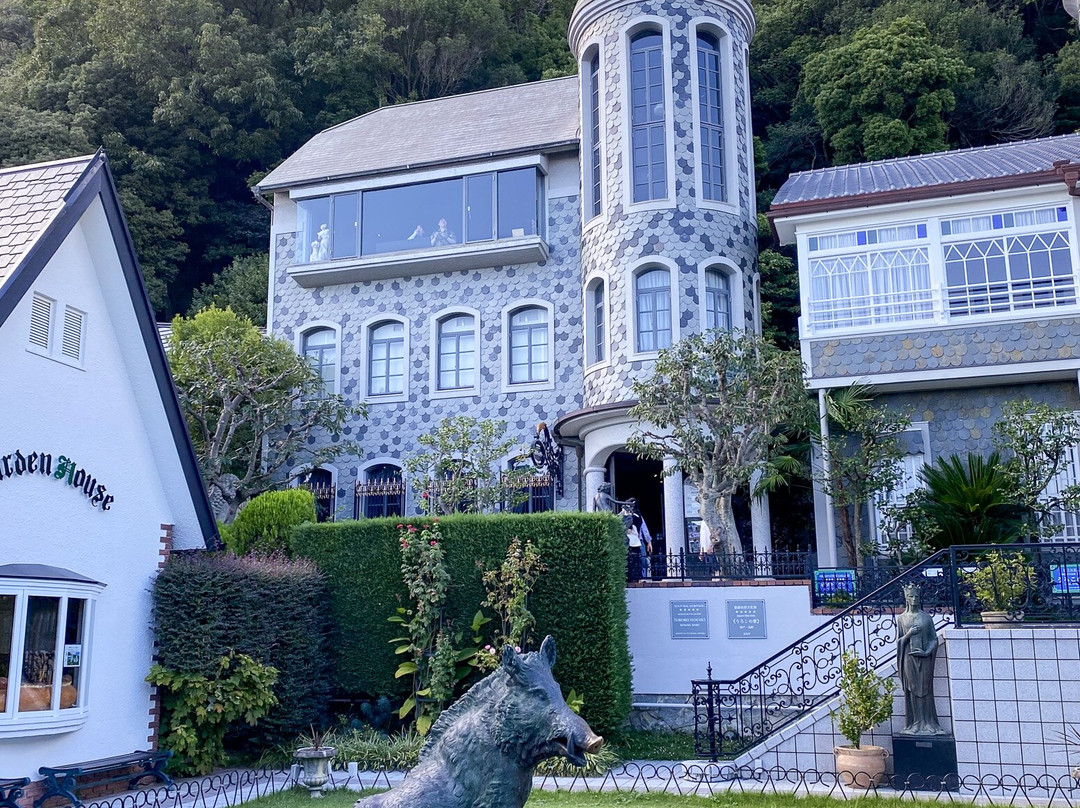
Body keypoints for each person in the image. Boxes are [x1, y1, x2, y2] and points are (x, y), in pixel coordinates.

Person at [896, 584, 947, 735]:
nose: (914, 599)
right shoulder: (901, 619)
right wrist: (909, 634)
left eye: (916, 596)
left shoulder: (926, 618)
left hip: (924, 659)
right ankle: (915, 723)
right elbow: (899, 641)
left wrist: (926, 652)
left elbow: (934, 639)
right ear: (906, 598)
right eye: (911, 596)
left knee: (925, 689)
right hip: (909, 658)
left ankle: (928, 723)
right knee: (912, 689)